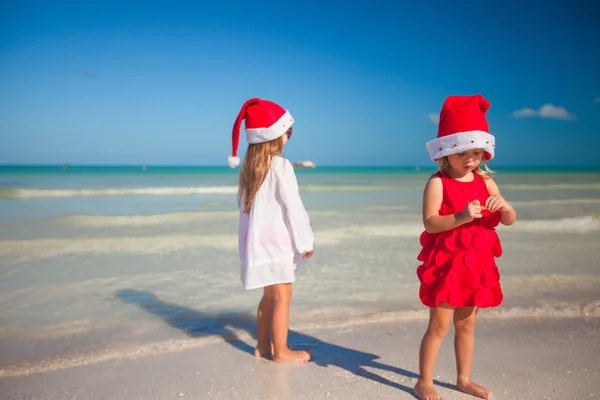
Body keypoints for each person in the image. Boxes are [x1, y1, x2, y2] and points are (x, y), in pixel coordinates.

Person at [414, 94, 517, 400]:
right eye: (462, 153)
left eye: (476, 153)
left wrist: (506, 206)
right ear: (447, 152)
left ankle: (464, 378)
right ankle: (424, 382)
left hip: (477, 265)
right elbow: (430, 222)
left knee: (467, 323)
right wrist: (459, 217)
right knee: (439, 325)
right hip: (448, 265)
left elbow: (508, 220)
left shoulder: (485, 182)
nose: (470, 159)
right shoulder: (437, 183)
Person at [228, 98, 315, 363]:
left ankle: (263, 345)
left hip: (258, 245)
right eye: (286, 131)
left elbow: (245, 212)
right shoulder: (281, 166)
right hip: (277, 244)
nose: (289, 135)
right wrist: (305, 241)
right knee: (282, 297)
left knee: (269, 296)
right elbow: (293, 207)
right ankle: (282, 351)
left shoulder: (248, 170)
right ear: (274, 136)